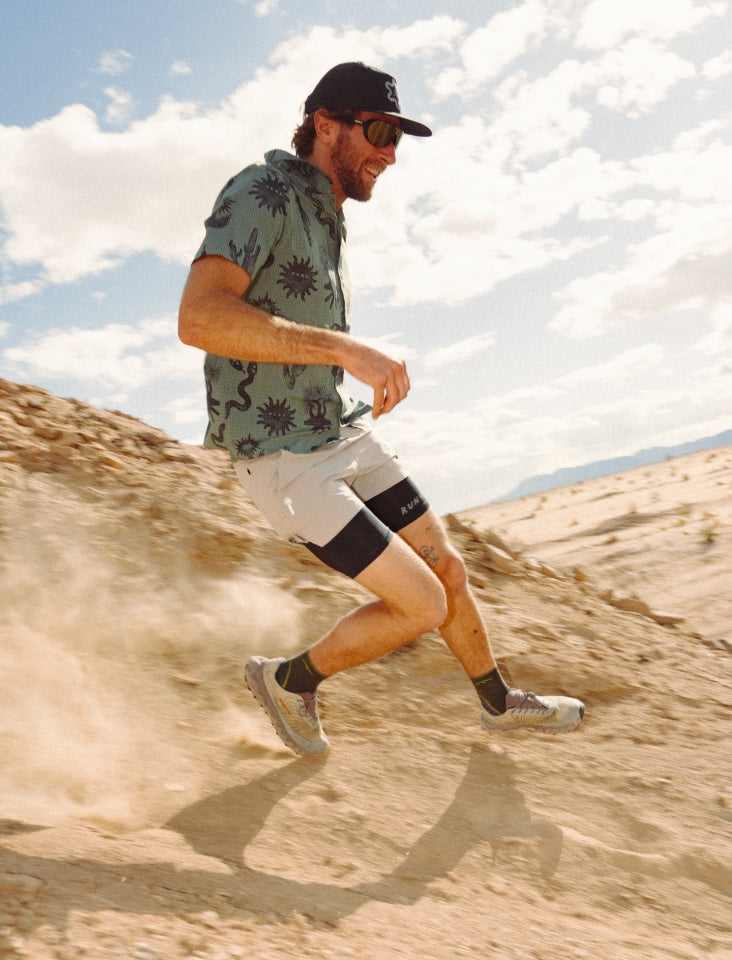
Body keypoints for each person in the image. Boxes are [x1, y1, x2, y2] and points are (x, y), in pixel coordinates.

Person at [178, 62, 585, 758]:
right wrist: (347, 350)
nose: (390, 154)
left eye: (396, 138)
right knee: (421, 604)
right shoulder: (263, 192)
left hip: (338, 429)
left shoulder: (328, 214)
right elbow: (200, 317)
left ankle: (498, 704)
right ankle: (288, 681)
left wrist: (341, 364)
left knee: (445, 566)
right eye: (378, 133)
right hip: (282, 460)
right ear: (324, 124)